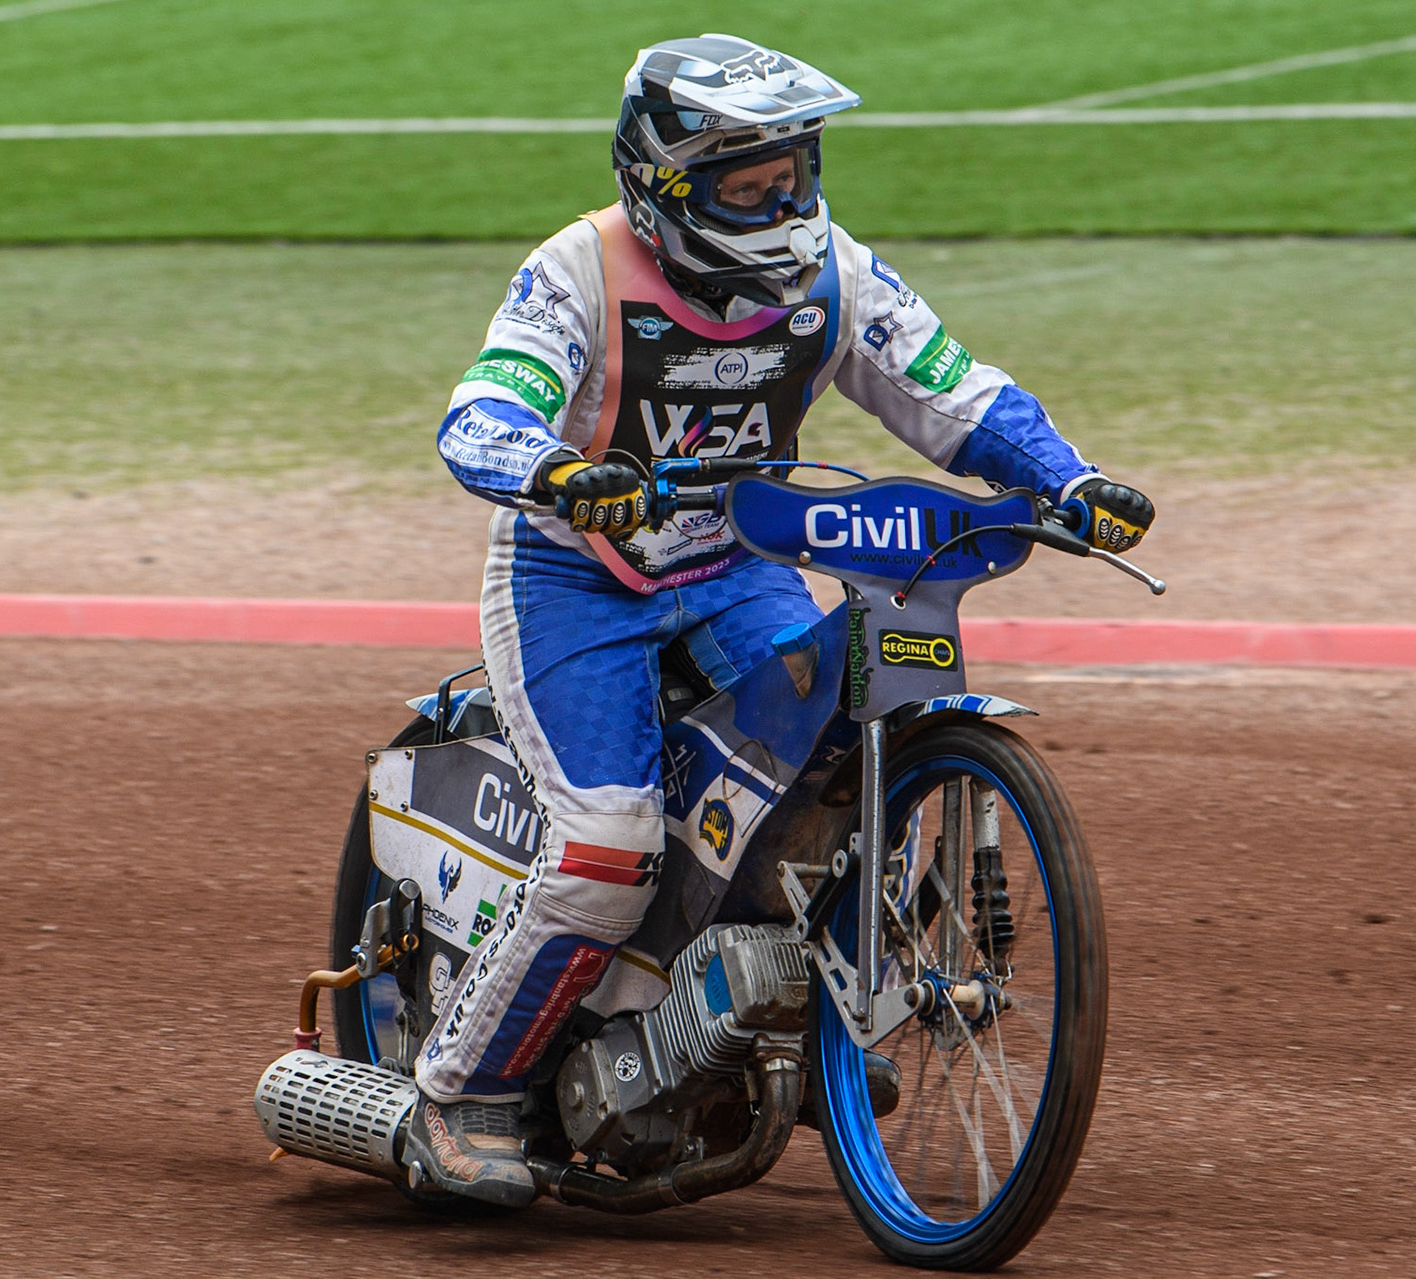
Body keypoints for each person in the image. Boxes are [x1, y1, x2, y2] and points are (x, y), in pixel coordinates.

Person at [409, 34, 1155, 1205]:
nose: (784, 203)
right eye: (746, 185)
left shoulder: (836, 274)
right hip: (576, 578)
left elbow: (948, 388)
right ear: (660, 187)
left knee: (840, 767)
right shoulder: (576, 272)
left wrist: (1066, 477)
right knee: (608, 848)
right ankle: (461, 1096)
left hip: (738, 560)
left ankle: (781, 1014)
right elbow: (483, 411)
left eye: (794, 174)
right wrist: (555, 471)